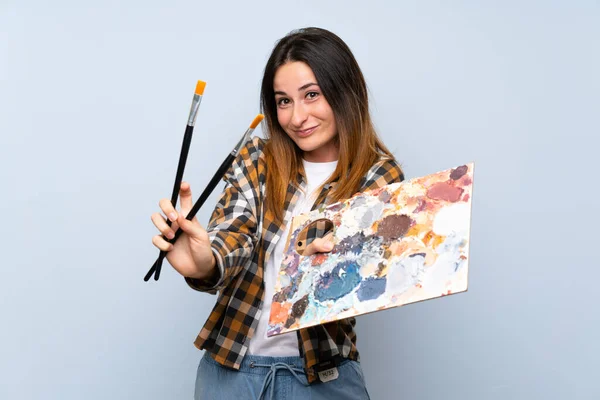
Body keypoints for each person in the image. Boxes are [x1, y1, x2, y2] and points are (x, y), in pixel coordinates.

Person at [151, 27, 404, 400]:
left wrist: (332, 263)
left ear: (344, 92)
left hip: (325, 376)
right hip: (232, 371)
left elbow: (374, 274)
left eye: (312, 95)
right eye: (283, 101)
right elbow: (232, 235)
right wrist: (206, 262)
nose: (297, 116)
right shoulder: (257, 159)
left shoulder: (381, 176)